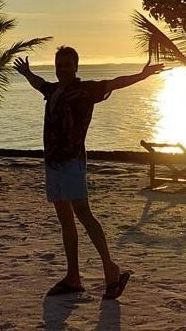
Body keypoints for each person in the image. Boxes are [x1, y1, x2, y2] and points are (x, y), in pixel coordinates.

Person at [14, 45, 164, 300]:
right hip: (53, 163)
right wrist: (27, 73)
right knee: (65, 220)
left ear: (76, 67)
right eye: (59, 65)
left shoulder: (85, 90)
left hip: (72, 163)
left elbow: (115, 82)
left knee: (83, 213)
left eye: (67, 65)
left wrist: (143, 75)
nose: (62, 70)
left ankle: (111, 269)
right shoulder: (53, 90)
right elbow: (39, 84)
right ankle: (73, 276)